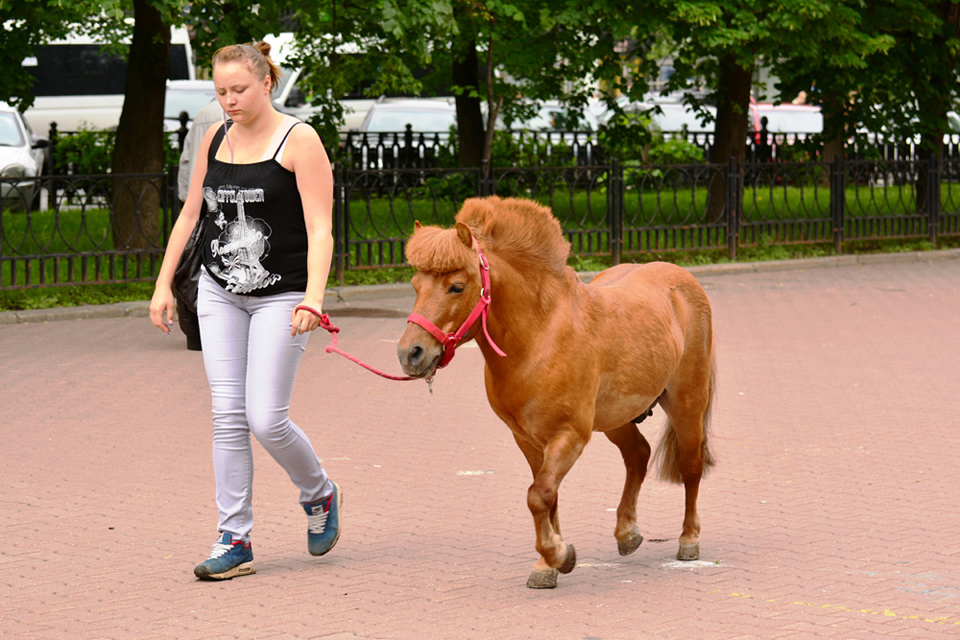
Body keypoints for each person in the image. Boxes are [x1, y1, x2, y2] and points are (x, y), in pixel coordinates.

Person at [149, 41, 341, 581]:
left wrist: (314, 299)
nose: (229, 100)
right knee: (227, 416)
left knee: (266, 418)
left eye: (239, 90)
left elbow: (321, 227)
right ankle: (235, 538)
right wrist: (163, 285)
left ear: (266, 84)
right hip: (218, 292)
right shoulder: (216, 136)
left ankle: (319, 493)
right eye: (220, 92)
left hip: (284, 293)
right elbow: (190, 216)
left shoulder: (298, 141)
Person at [174, 99, 225, 351]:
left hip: (198, 203)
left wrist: (186, 198)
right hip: (220, 203)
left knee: (193, 264)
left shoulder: (203, 114)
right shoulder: (241, 114)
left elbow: (185, 161)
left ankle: (195, 328)